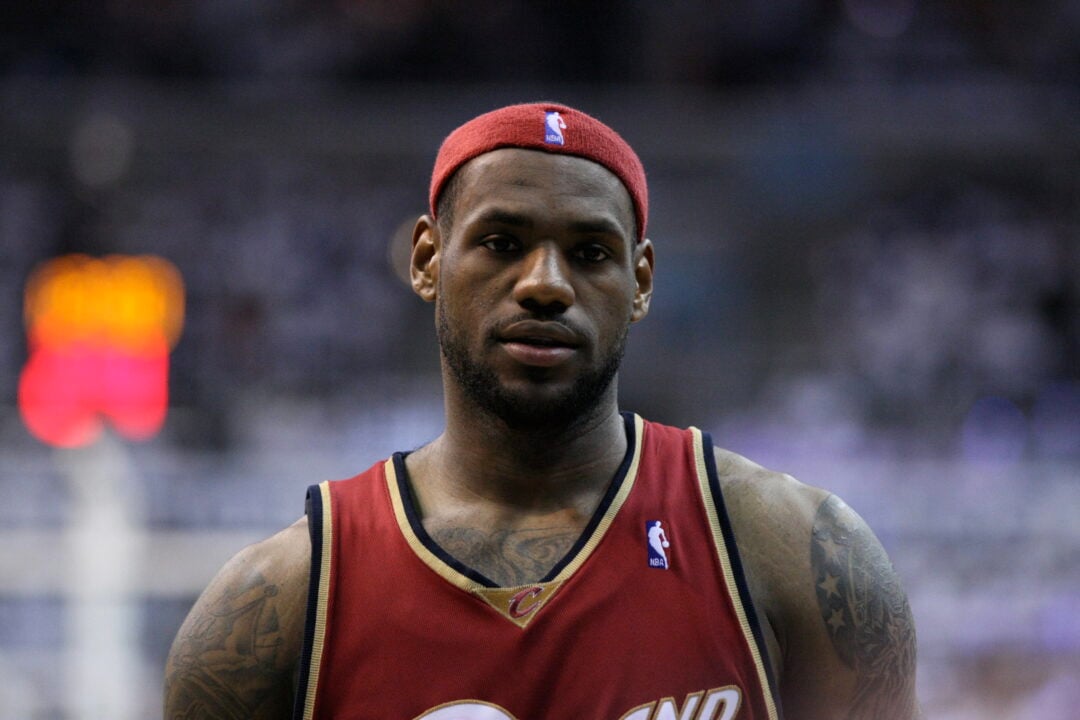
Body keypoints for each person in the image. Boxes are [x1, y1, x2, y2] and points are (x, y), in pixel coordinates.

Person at [164, 102, 921, 720]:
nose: (545, 284)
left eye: (590, 253)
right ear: (428, 259)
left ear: (642, 279)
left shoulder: (796, 553)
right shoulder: (280, 603)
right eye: (501, 243)